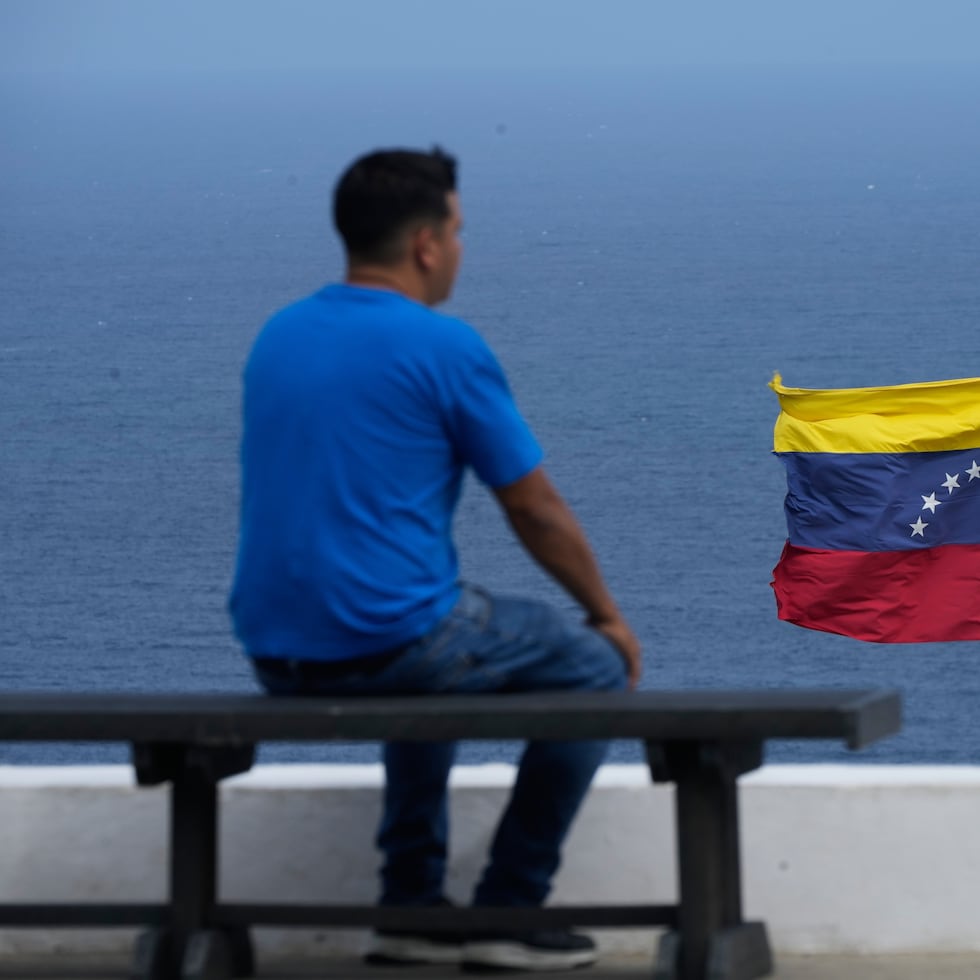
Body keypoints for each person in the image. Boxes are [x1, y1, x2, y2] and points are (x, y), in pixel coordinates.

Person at [228, 146, 641, 973]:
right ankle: (508, 913)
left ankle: (411, 907)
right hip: (393, 640)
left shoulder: (279, 334)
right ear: (425, 243)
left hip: (278, 651)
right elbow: (532, 506)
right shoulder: (443, 347)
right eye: (457, 230)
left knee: (426, 642)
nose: (459, 247)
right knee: (589, 668)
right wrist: (606, 616)